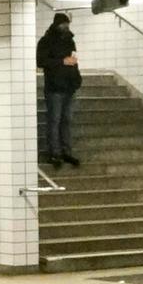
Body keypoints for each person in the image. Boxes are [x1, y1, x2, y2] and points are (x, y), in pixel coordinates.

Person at [36, 10, 82, 168]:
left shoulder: (70, 40)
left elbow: (73, 61)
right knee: (54, 121)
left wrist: (77, 79)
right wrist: (62, 61)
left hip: (69, 85)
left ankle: (66, 151)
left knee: (66, 120)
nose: (66, 27)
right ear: (57, 25)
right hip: (54, 87)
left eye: (67, 24)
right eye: (64, 24)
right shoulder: (46, 41)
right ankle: (54, 152)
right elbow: (41, 61)